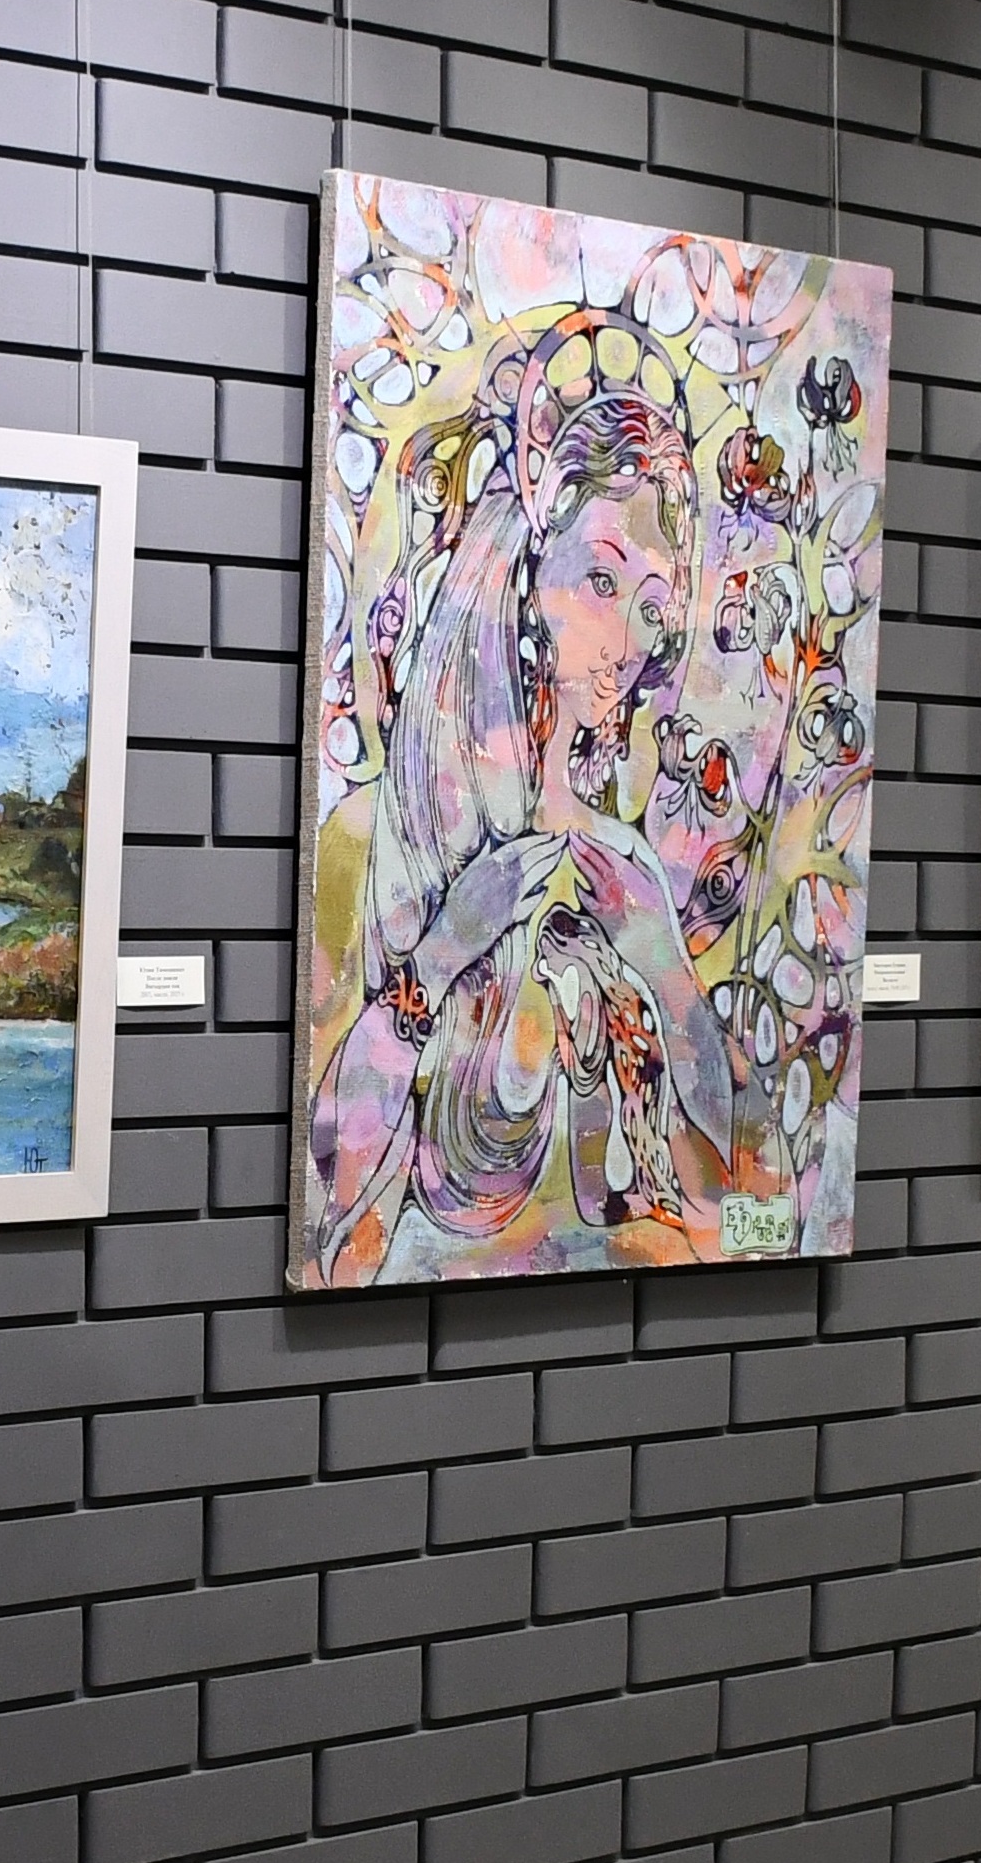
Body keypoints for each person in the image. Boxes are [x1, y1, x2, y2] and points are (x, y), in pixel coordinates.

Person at [298, 313, 760, 1285]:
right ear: (523, 570)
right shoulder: (370, 839)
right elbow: (327, 1182)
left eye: (651, 607)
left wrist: (668, 974)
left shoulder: (626, 875)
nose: (627, 645)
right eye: (601, 580)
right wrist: (441, 952)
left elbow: (748, 1202)